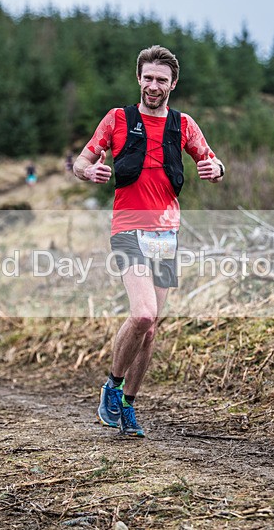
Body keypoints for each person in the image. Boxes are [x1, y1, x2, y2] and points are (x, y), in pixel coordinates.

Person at [73, 45, 225, 437]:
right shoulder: (117, 119)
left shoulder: (183, 124)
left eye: (161, 80)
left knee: (152, 327)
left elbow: (212, 160)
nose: (153, 86)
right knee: (142, 314)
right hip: (128, 228)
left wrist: (216, 168)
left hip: (166, 234)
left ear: (173, 84)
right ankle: (112, 385)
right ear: (138, 79)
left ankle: (127, 405)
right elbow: (81, 161)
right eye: (148, 78)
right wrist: (88, 172)